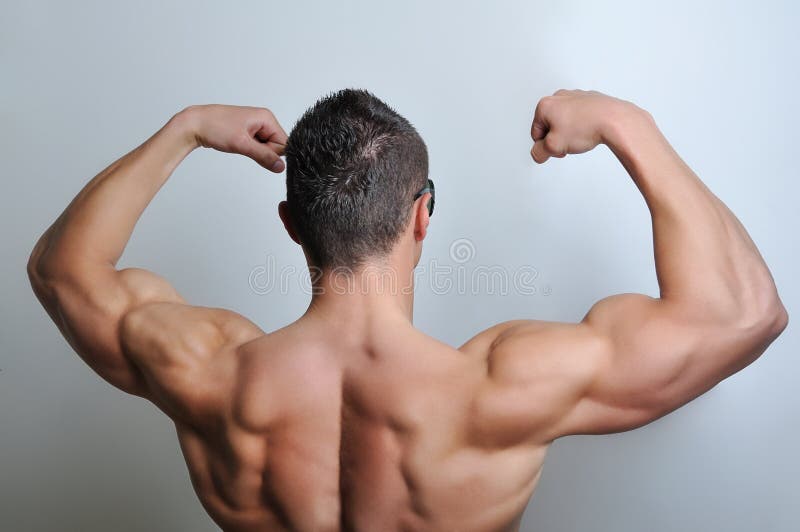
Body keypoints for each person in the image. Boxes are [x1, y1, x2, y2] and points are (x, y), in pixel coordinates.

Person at [27, 88, 787, 532]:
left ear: (290, 226)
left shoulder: (208, 371)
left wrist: (185, 128)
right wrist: (628, 123)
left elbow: (63, 271)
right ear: (422, 216)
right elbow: (744, 312)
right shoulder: (503, 388)